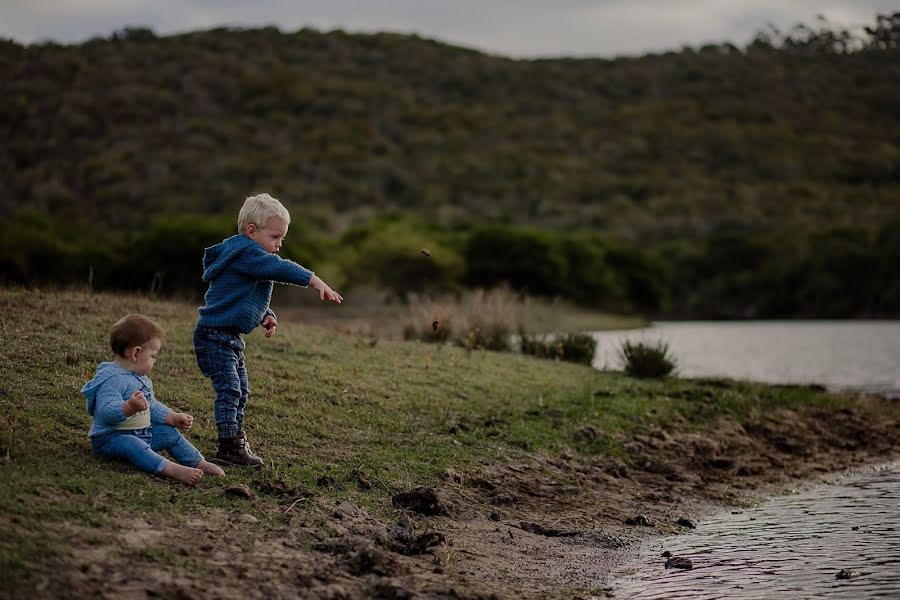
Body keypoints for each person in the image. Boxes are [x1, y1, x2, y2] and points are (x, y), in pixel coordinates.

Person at [193, 193, 342, 467]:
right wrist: (315, 281)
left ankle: (235, 439)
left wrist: (265, 315)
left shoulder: (247, 256)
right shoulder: (247, 252)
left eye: (282, 238)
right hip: (215, 336)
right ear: (252, 231)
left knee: (241, 390)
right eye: (275, 237)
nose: (279, 245)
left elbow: (243, 296)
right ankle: (229, 447)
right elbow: (279, 268)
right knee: (230, 390)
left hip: (229, 337)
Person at [82, 314, 225, 485]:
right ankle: (171, 469)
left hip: (142, 433)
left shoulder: (140, 378)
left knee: (169, 433)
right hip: (111, 439)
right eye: (153, 356)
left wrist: (172, 417)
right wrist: (128, 407)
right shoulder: (112, 379)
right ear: (136, 353)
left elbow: (151, 406)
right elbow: (105, 411)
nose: (154, 361)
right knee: (132, 444)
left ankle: (198, 462)